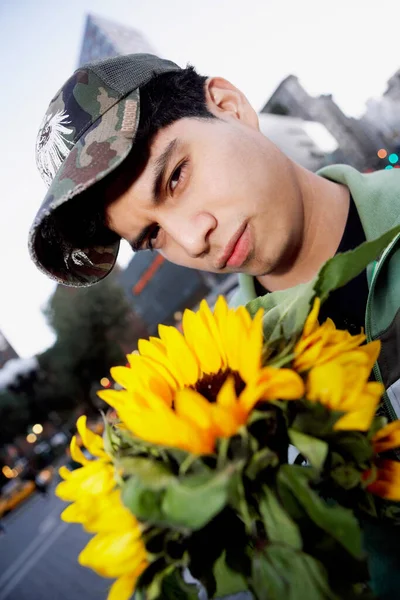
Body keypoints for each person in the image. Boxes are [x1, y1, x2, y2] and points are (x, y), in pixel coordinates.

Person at [29, 53, 400, 597]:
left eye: (176, 177)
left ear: (228, 105)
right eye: (152, 236)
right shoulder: (215, 410)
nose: (191, 237)